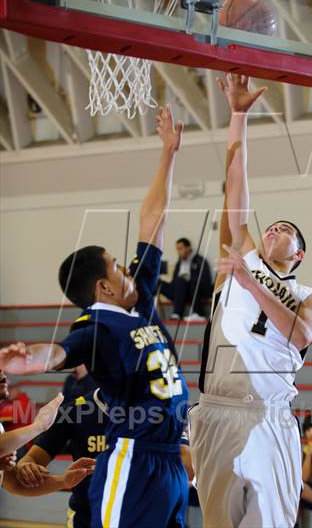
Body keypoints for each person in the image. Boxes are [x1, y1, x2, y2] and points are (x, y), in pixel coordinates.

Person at [0, 105, 190, 528]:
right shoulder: (95, 327)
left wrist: (168, 153)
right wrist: (27, 357)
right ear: (102, 287)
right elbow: (59, 352)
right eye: (117, 266)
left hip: (167, 461)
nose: (127, 270)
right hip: (134, 460)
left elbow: (152, 223)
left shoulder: (137, 304)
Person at [189, 74, 312, 528]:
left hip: (269, 416)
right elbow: (235, 185)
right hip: (215, 410)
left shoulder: (308, 295)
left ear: (299, 253)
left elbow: (301, 335)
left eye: (286, 231)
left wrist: (251, 285)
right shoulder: (241, 254)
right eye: (273, 225)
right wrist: (239, 116)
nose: (274, 230)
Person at [15, 388, 108, 528]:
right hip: (86, 517)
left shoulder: (147, 411)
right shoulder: (74, 410)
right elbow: (30, 460)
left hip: (139, 514)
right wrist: (27, 467)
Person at [159, 237, 212, 322]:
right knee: (157, 282)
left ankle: (196, 313)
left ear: (188, 248)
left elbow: (205, 280)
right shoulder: (179, 262)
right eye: (177, 249)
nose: (178, 252)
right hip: (179, 291)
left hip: (195, 290)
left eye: (180, 248)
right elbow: (174, 280)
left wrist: (187, 279)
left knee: (186, 281)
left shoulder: (200, 260)